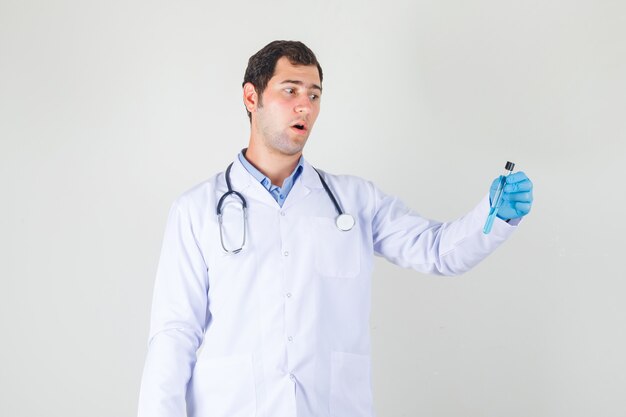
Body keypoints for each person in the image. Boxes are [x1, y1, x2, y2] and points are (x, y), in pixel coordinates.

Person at [137, 40, 533, 417]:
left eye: (314, 95)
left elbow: (435, 251)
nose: (304, 107)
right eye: (290, 91)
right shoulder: (196, 210)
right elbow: (174, 334)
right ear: (250, 98)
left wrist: (493, 216)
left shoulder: (355, 200)